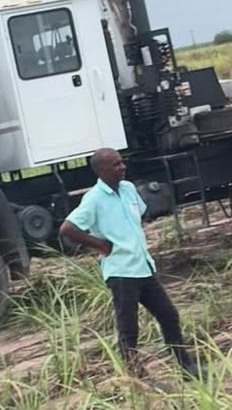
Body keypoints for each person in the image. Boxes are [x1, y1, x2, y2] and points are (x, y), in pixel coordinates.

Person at [59, 148, 200, 380]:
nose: (123, 167)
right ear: (101, 171)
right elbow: (67, 229)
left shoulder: (128, 189)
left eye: (121, 162)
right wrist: (100, 245)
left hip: (143, 267)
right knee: (129, 328)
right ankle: (137, 378)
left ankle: (186, 367)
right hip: (121, 272)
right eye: (116, 165)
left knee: (169, 315)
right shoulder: (94, 199)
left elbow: (139, 216)